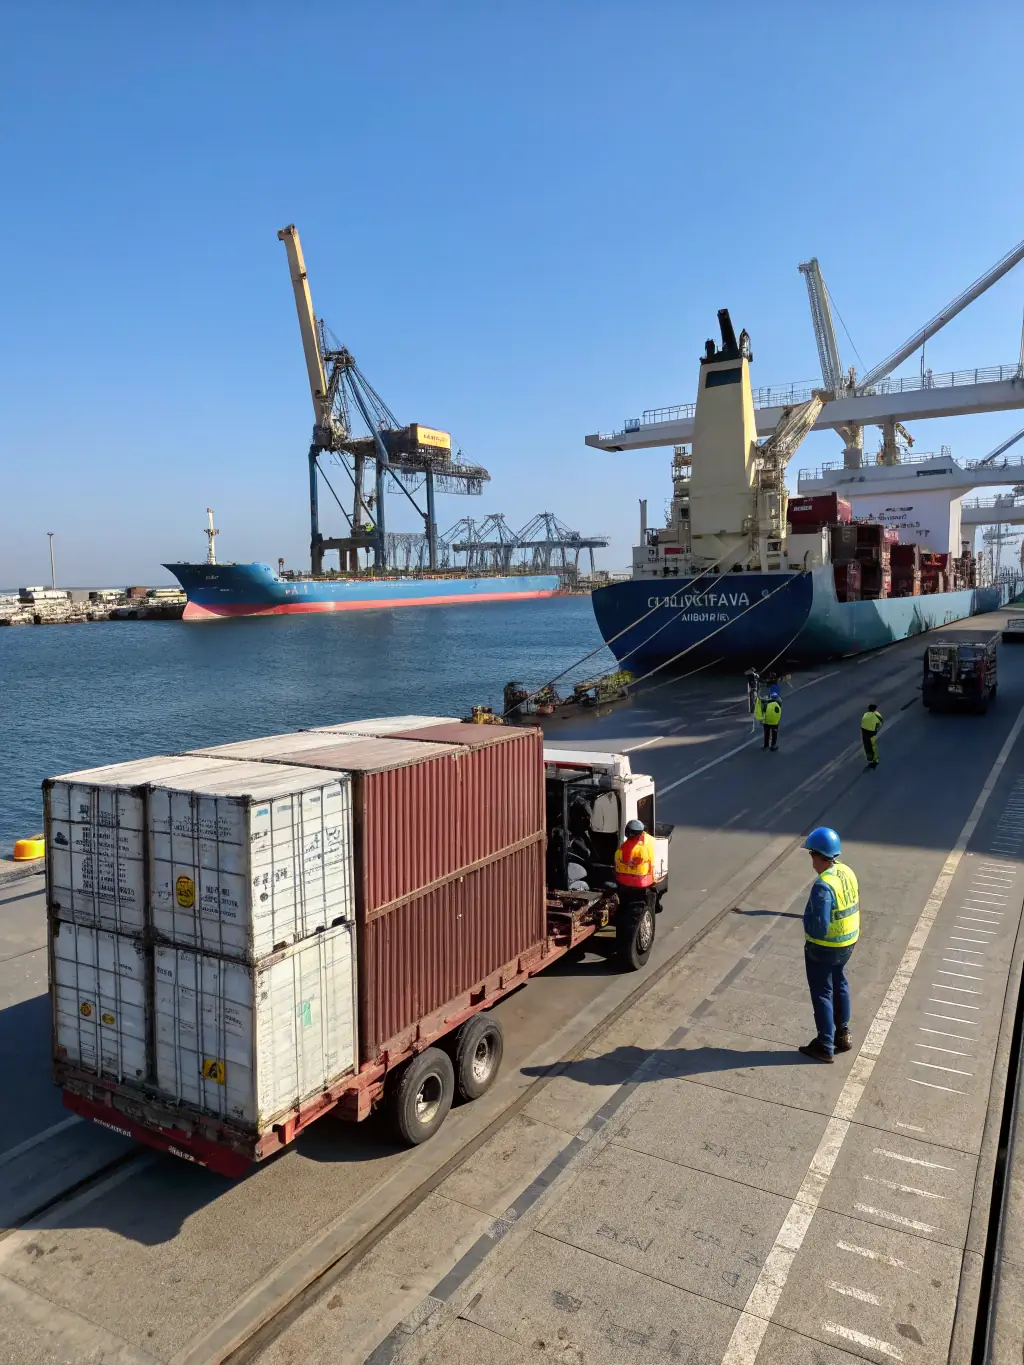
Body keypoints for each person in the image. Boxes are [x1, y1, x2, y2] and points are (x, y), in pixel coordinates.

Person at [799, 826, 859, 1063]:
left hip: (823, 947)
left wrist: (808, 933)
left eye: (811, 854)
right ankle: (843, 1033)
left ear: (818, 854)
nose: (811, 860)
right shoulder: (847, 872)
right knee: (840, 982)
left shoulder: (823, 885)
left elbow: (820, 925)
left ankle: (825, 1044)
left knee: (822, 991)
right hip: (848, 942)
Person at [614, 819, 655, 909]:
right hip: (640, 881)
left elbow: (618, 860)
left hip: (625, 881)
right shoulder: (644, 845)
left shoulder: (625, 847)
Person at [861, 704, 883, 769]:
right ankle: (875, 760)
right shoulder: (877, 715)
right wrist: (876, 728)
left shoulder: (865, 714)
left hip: (864, 732)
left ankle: (869, 760)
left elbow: (863, 723)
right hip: (871, 733)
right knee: (873, 746)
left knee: (867, 746)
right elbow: (880, 723)